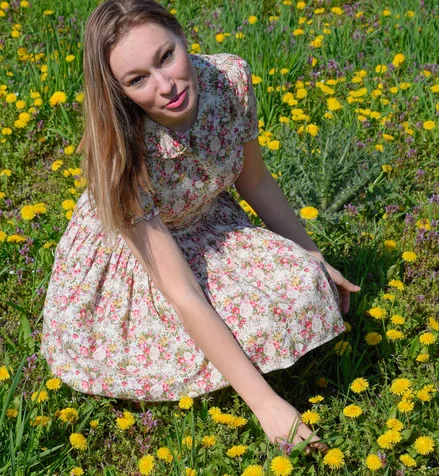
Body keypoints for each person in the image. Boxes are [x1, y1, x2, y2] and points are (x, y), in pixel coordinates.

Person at [40, 0, 361, 454]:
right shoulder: (123, 157)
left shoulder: (229, 81)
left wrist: (314, 256)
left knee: (306, 284)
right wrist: (267, 406)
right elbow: (182, 292)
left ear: (182, 36)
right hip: (139, 261)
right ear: (118, 91)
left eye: (166, 56)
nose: (165, 85)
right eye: (137, 80)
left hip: (209, 223)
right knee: (207, 335)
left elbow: (255, 180)